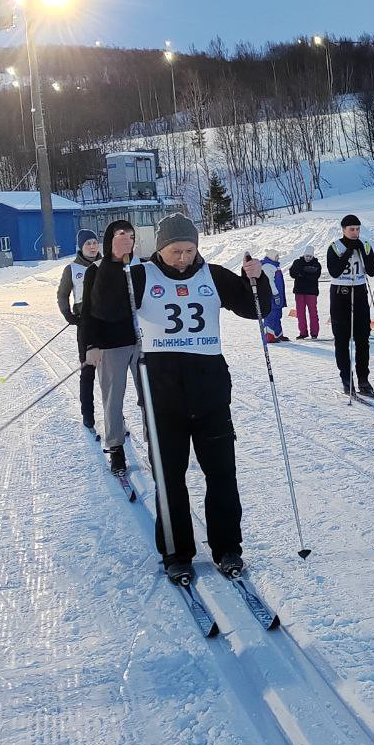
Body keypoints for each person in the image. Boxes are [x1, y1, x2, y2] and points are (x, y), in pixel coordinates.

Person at [85, 214, 271, 582]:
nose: (183, 258)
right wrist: (111, 261)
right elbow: (104, 310)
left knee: (221, 473)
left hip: (210, 389)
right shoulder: (139, 276)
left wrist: (258, 279)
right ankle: (176, 552)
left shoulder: (213, 275)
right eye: (175, 251)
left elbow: (256, 308)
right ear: (160, 249)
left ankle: (228, 548)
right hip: (162, 394)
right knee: (170, 477)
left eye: (189, 250)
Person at [79, 220, 144, 475]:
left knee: (149, 397)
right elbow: (89, 312)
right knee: (113, 400)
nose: (126, 239)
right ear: (110, 240)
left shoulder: (140, 267)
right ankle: (116, 447)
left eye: (130, 234)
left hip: (140, 343)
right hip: (110, 344)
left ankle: (155, 443)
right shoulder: (97, 269)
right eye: (120, 235)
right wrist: (90, 345)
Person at [326, 215, 374, 395]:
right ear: (343, 230)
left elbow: (373, 271)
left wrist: (363, 252)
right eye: (351, 229)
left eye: (357, 229)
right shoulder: (335, 247)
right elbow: (334, 271)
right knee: (341, 340)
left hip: (359, 293)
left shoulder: (364, 245)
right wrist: (349, 251)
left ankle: (363, 378)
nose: (355, 233)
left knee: (362, 339)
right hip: (340, 294)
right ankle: (346, 378)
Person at [58, 228, 100, 432]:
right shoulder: (73, 269)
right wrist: (68, 314)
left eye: (94, 242)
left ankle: (115, 413)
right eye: (88, 244)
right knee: (87, 370)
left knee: (110, 373)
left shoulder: (106, 264)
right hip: (86, 324)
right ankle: (88, 413)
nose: (92, 246)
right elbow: (62, 294)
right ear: (81, 247)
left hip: (107, 323)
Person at [289, 246, 322, 339]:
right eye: (306, 256)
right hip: (299, 291)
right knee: (300, 313)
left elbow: (315, 277)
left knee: (313, 313)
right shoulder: (297, 262)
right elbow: (292, 274)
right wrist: (305, 272)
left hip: (311, 292)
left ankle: (314, 333)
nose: (308, 258)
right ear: (304, 255)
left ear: (313, 256)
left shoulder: (316, 264)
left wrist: (302, 273)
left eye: (310, 256)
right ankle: (303, 333)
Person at [259, 249, 289, 342]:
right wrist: (275, 294)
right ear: (271, 256)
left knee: (277, 315)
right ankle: (269, 336)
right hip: (271, 296)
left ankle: (278, 334)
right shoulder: (267, 266)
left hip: (278, 295)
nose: (278, 258)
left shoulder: (274, 265)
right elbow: (270, 282)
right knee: (271, 316)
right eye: (276, 256)